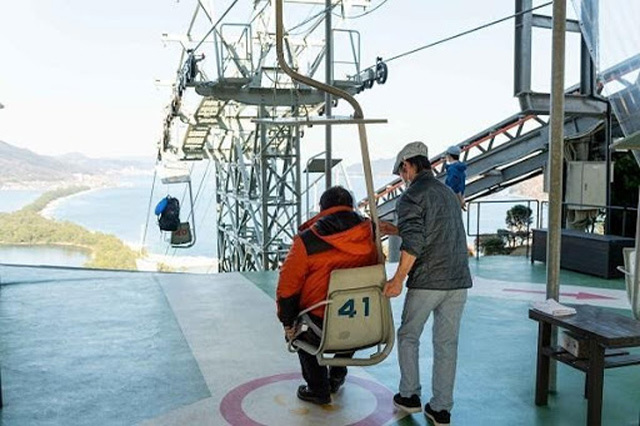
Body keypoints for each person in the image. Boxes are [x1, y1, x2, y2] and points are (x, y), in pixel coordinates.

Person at [381, 141, 472, 426]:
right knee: (447, 344)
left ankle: (409, 396)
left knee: (408, 336)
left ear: (408, 166)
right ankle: (441, 409)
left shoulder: (410, 197)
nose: (402, 177)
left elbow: (416, 241)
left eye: (401, 172)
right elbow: (437, 228)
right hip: (458, 281)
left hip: (428, 281)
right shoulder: (446, 192)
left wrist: (397, 279)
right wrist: (395, 229)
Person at [276, 186, 378, 405]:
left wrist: (287, 321)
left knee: (300, 328)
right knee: (349, 312)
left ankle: (318, 388)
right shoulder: (371, 235)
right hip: (365, 322)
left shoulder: (307, 241)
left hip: (321, 328)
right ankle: (337, 375)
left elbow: (287, 288)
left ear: (322, 210)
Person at [444, 145, 467, 210]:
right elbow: (462, 185)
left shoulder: (452, 169)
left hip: (452, 201)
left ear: (449, 156)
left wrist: (460, 201)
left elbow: (454, 187)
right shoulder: (461, 168)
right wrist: (462, 199)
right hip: (458, 199)